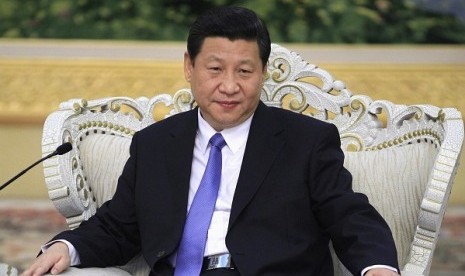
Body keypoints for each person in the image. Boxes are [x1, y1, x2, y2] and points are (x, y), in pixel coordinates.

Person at [23, 6, 400, 276]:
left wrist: (378, 267)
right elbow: (118, 226)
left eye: (245, 71)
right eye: (215, 69)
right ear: (189, 67)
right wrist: (65, 247)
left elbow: (350, 215)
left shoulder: (307, 141)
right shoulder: (154, 144)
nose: (230, 86)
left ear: (264, 72)